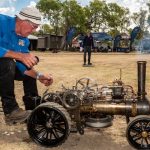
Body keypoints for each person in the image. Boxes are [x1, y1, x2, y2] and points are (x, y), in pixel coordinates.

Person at [0, 7, 53, 124]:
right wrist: (18, 55)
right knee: (7, 63)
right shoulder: (1, 21)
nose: (34, 30)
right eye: (34, 26)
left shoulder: (24, 40)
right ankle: (11, 112)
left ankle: (33, 109)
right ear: (23, 20)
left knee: (27, 69)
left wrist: (39, 76)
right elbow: (18, 57)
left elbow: (23, 67)